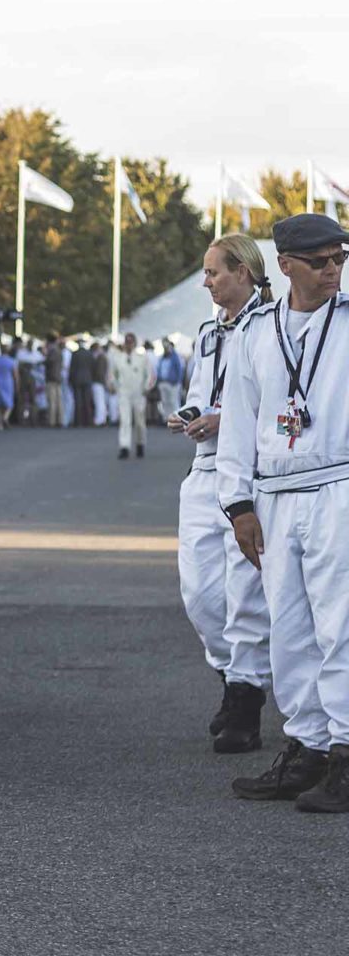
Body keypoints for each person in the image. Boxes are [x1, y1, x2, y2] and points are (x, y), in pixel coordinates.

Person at [218, 213, 349, 811]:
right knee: (289, 630)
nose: (333, 270)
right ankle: (306, 747)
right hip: (273, 493)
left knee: (339, 626)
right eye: (320, 261)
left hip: (337, 486)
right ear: (287, 264)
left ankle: (346, 754)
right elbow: (238, 425)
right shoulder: (256, 333)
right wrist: (239, 502)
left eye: (339, 259)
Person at [171, 233, 273, 753]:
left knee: (245, 594)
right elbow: (199, 392)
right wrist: (192, 416)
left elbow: (274, 402)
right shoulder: (210, 331)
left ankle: (244, 701)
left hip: (248, 472)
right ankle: (233, 676)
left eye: (214, 272)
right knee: (200, 592)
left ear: (244, 272)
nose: (206, 281)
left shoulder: (272, 327)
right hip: (203, 470)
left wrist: (224, 420)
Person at [109, 333, 154, 458]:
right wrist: (113, 385)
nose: (128, 345)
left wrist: (147, 387)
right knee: (125, 420)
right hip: (124, 392)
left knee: (140, 421)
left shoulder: (142, 358)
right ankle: (124, 446)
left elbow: (150, 375)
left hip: (138, 392)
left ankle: (140, 443)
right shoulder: (118, 358)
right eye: (127, 342)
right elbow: (112, 374)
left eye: (131, 342)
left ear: (134, 344)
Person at [0, 341, 18, 431]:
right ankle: (5, 417)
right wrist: (17, 384)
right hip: (8, 382)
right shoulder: (12, 361)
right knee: (9, 403)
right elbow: (15, 375)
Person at [156, 336, 184, 423]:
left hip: (173, 383)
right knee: (165, 401)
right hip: (163, 382)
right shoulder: (162, 357)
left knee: (173, 401)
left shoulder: (175, 357)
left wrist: (177, 381)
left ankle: (176, 418)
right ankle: (167, 418)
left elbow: (179, 370)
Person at [69, 339, 95, 427]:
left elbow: (72, 368)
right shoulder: (89, 354)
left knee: (78, 401)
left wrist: (70, 380)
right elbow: (92, 366)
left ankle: (78, 421)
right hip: (87, 379)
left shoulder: (75, 354)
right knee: (87, 401)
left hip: (77, 379)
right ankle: (88, 421)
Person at [43, 333, 63, 427]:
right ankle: (59, 420)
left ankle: (52, 421)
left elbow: (48, 362)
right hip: (58, 377)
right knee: (58, 400)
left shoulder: (52, 350)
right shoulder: (59, 350)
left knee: (52, 401)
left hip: (51, 377)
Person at [90, 342, 109, 425]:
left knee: (99, 401)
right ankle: (102, 418)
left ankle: (99, 419)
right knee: (101, 401)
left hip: (98, 381)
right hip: (100, 381)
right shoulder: (102, 357)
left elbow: (100, 372)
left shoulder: (100, 357)